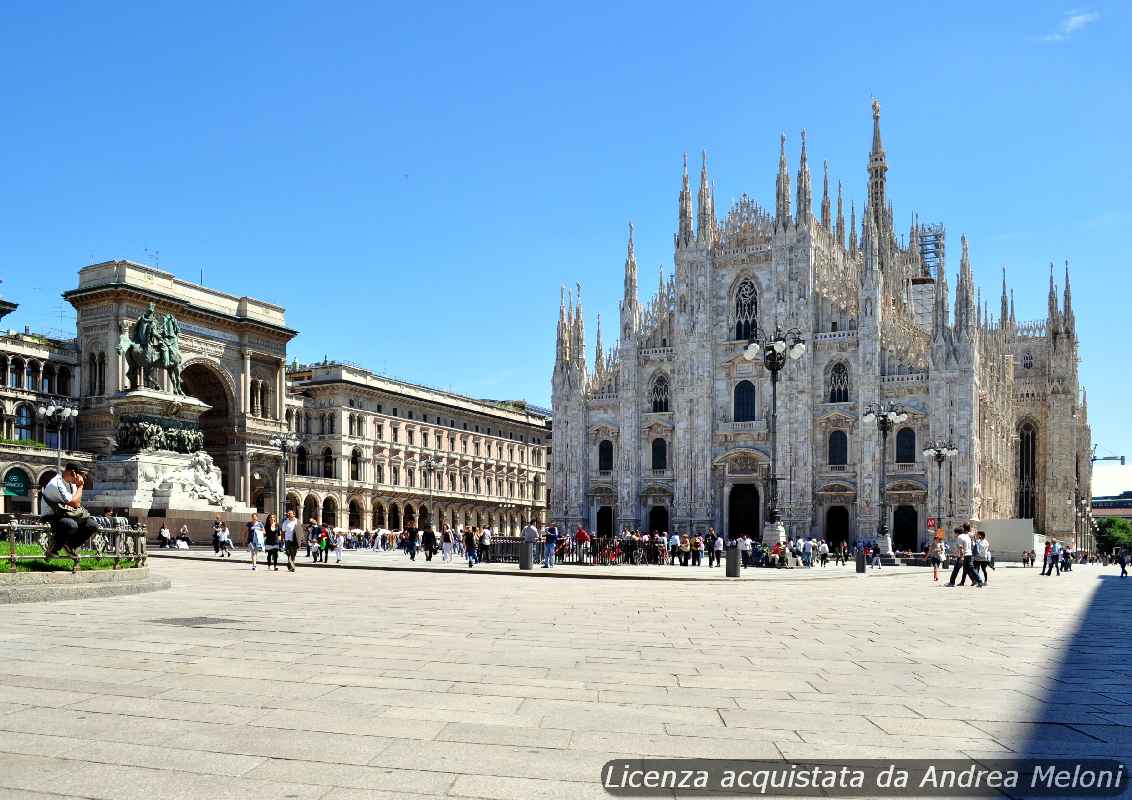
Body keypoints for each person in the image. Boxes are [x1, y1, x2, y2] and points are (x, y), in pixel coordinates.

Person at [39, 463, 98, 558]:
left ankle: (70, 545)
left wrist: (78, 488)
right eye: (81, 475)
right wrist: (80, 486)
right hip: (51, 515)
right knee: (71, 524)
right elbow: (74, 503)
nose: (83, 478)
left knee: (92, 525)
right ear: (73, 473)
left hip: (66, 514)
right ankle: (53, 548)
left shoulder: (72, 484)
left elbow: (76, 503)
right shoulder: (56, 483)